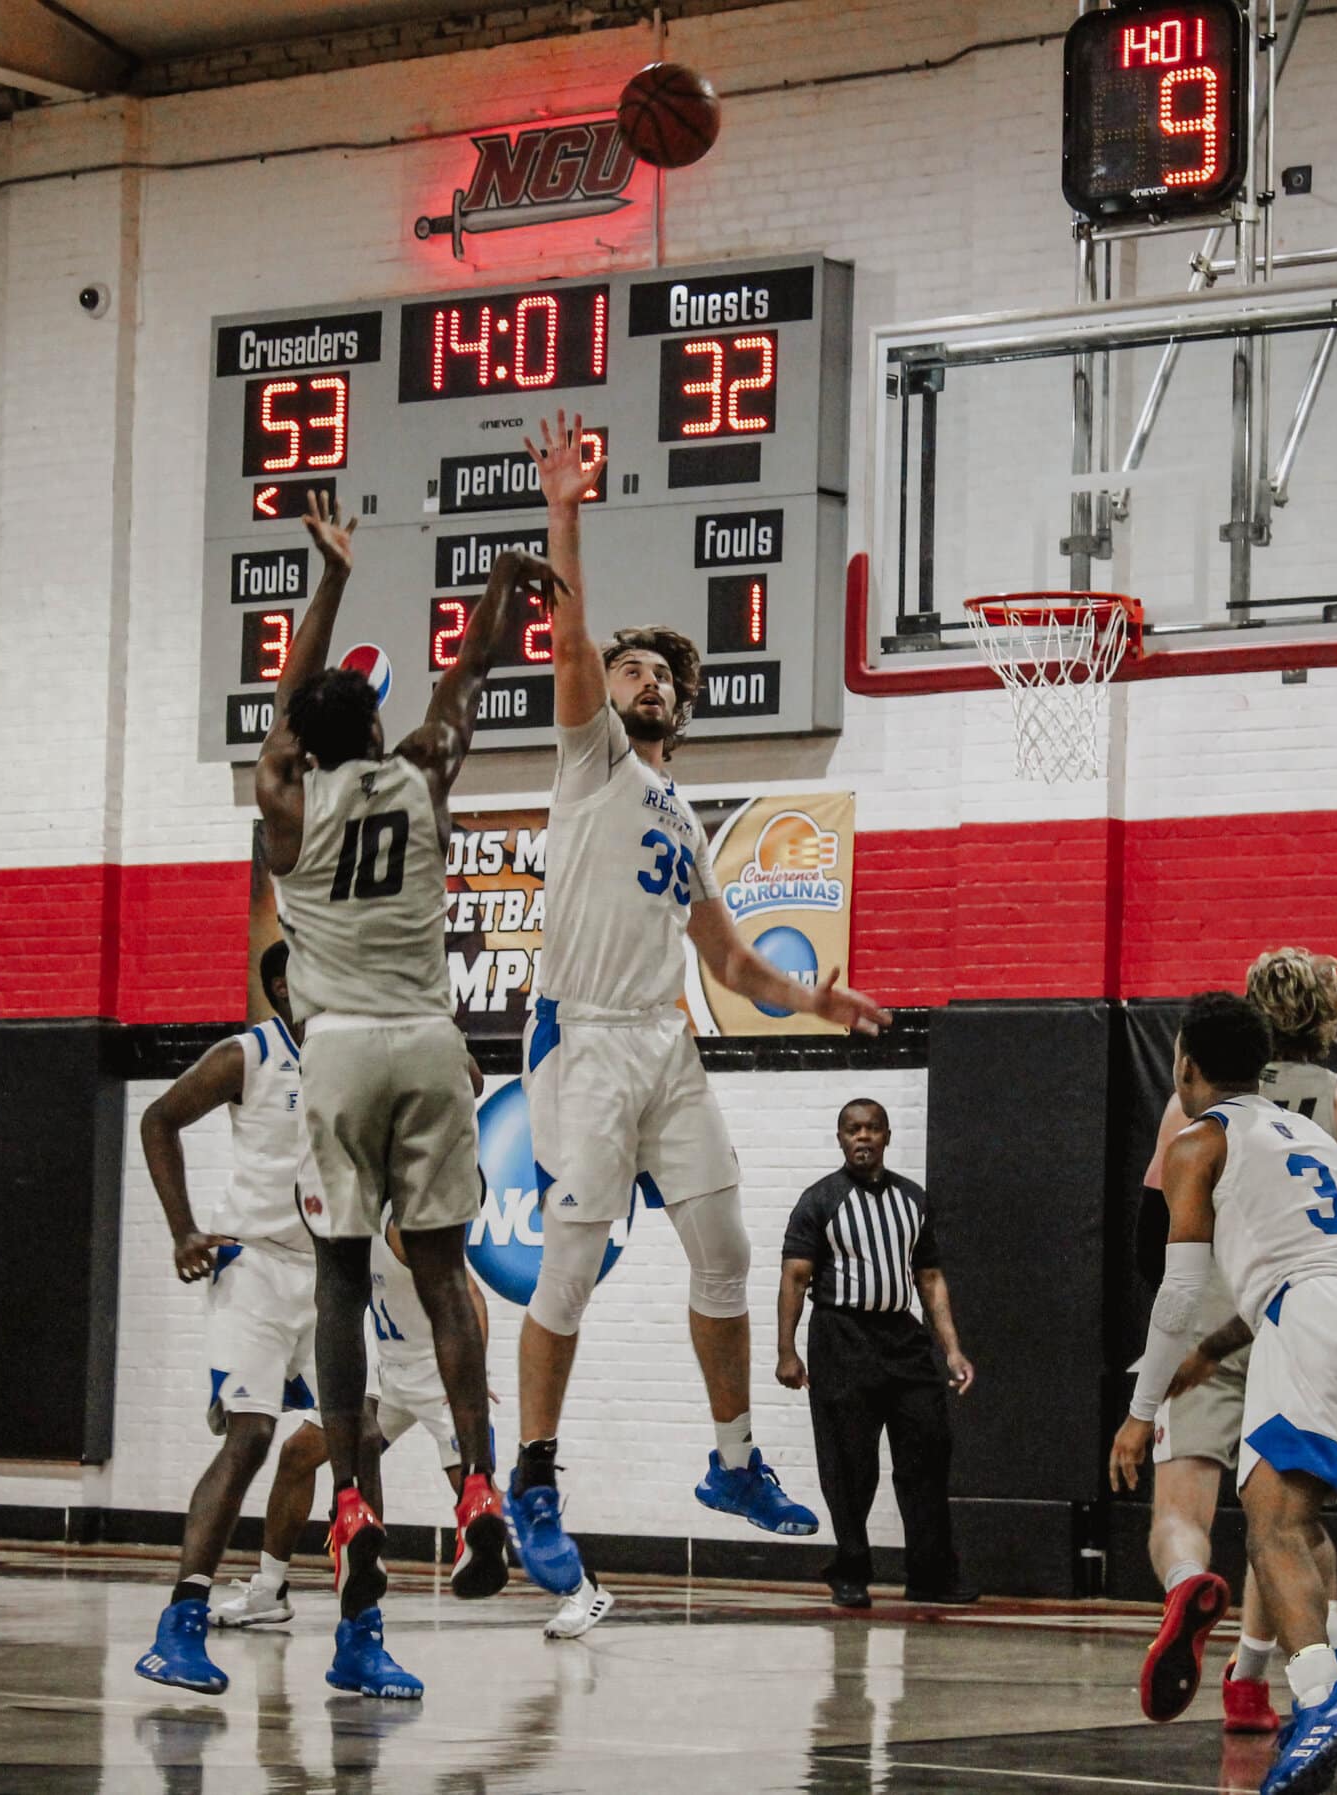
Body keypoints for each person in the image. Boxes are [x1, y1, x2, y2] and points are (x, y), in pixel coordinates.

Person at [504, 413, 893, 1597]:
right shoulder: (592, 761)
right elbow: (569, 634)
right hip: (582, 1033)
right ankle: (533, 1478)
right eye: (630, 671)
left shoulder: (679, 813)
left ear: (682, 705)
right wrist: (563, 505)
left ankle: (731, 1461)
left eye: (662, 674)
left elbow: (728, 962)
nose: (644, 681)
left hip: (667, 1040)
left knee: (725, 1250)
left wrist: (811, 996)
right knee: (568, 1270)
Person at [254, 491, 546, 1699]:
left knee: (336, 1277)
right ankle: (477, 1477)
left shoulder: (285, 801)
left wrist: (327, 579)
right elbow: (466, 678)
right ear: (373, 726)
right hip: (432, 1040)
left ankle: (353, 1502)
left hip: (336, 1050)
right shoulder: (423, 773)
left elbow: (289, 710)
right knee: (443, 1277)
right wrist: (504, 593)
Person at [1112, 994, 1337, 1795]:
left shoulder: (1196, 1140)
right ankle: (1316, 1664)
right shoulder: (1315, 1128)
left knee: (1270, 1527)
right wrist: (1212, 1351)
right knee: (1297, 1518)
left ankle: (1322, 1693)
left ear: (1184, 1064)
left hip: (1312, 1321)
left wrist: (1140, 1414)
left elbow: (1179, 1293)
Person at [133, 940, 333, 1693]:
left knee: (357, 1436)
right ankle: (181, 1622)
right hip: (252, 1266)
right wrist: (183, 1227)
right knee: (250, 1437)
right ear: (282, 985)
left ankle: (345, 1623)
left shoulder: (350, 1053)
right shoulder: (248, 1053)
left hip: (330, 1274)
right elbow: (158, 1118)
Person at [359, 1207, 616, 1640]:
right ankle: (282, 1583)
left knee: (486, 1506)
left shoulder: (403, 1225)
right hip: (391, 1380)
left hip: (438, 1381)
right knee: (314, 1455)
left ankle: (581, 1586)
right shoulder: (349, 1220)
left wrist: (470, 1380)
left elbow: (469, 1295)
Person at [776, 1098, 977, 1609]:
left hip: (902, 1339)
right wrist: (787, 1352)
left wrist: (951, 1349)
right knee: (849, 1463)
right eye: (852, 1130)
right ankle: (850, 1570)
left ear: (887, 1136)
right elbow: (795, 1278)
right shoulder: (819, 1200)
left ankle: (930, 1573)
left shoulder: (913, 1200)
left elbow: (929, 1278)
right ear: (840, 1138)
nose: (862, 1138)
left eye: (871, 1129)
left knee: (928, 1450)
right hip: (840, 1337)